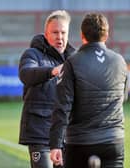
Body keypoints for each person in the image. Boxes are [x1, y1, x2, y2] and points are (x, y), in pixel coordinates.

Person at [50, 13, 129, 168]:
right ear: (106, 35)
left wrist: (55, 144)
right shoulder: (120, 61)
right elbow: (123, 97)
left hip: (80, 143)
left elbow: (62, 107)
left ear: (82, 35)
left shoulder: (72, 62)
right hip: (112, 141)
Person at [18, 10, 75, 168]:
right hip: (40, 133)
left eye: (63, 32)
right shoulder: (32, 54)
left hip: (66, 135)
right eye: (55, 32)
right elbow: (26, 74)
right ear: (46, 34)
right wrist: (53, 71)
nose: (60, 37)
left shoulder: (74, 59)